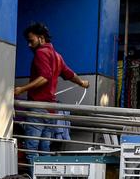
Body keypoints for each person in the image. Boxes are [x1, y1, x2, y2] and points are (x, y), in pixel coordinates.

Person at [14, 23, 90, 154]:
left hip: (38, 107)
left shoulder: (40, 53)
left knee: (31, 149)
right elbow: (70, 75)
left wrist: (21, 89)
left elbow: (45, 77)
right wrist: (82, 83)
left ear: (41, 38)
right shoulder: (57, 56)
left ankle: (31, 175)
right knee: (44, 148)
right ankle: (43, 175)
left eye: (31, 41)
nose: (29, 45)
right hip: (51, 110)